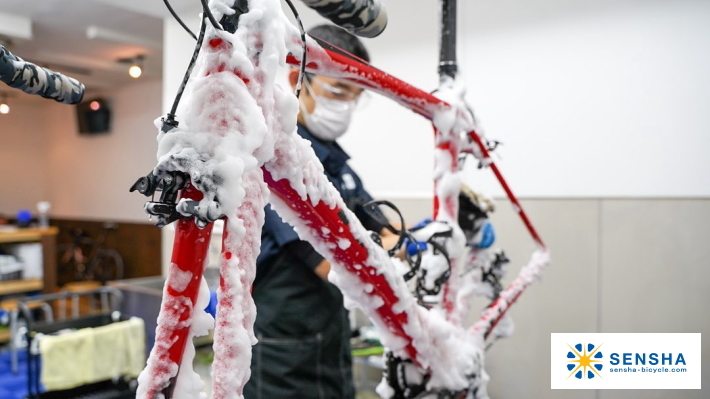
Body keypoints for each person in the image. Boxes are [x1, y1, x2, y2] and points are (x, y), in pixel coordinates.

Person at [243, 25, 397, 399]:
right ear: (298, 81)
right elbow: (331, 265)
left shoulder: (333, 159)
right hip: (285, 348)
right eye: (339, 90)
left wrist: (408, 241)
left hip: (329, 332)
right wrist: (389, 252)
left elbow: (386, 226)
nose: (345, 105)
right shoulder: (276, 159)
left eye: (355, 95)